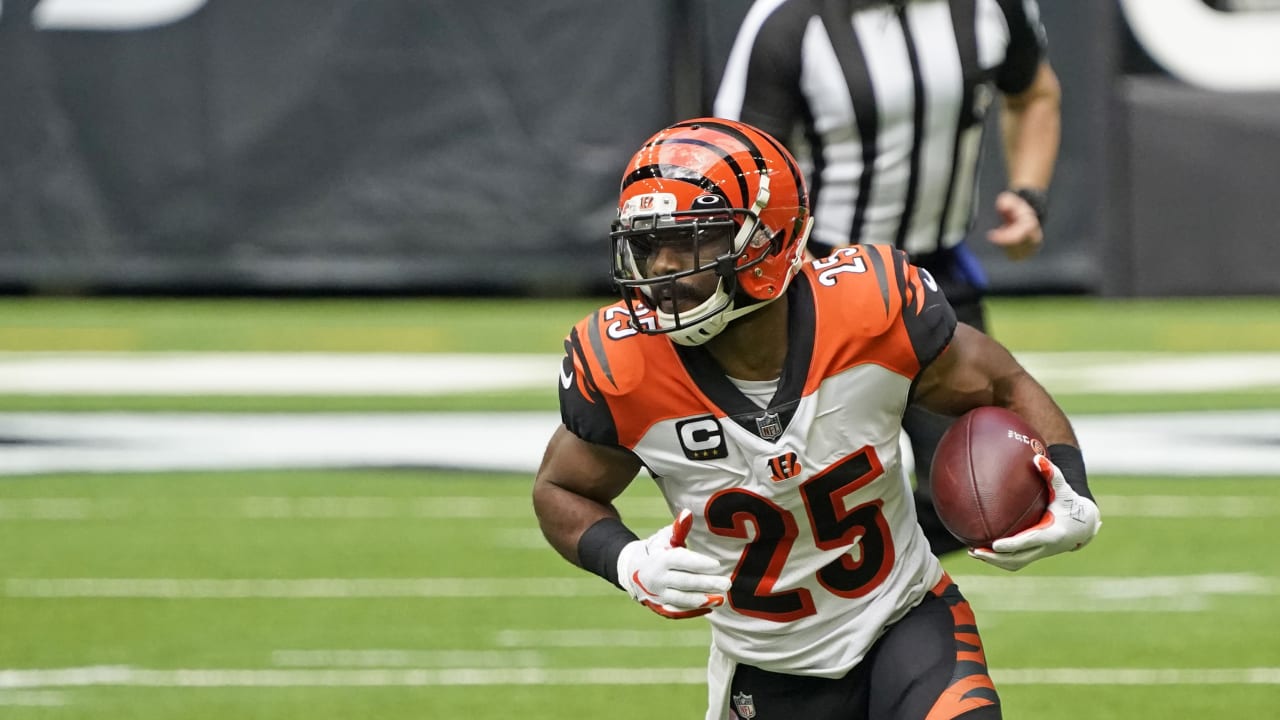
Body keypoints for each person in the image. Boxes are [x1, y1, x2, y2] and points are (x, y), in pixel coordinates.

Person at [532, 118, 1099, 720]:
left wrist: (1072, 490)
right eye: (647, 246)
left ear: (767, 241)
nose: (661, 271)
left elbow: (1004, 383)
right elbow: (561, 488)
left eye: (690, 242)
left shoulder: (869, 313)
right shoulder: (626, 369)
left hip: (905, 620)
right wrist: (625, 560)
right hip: (767, 669)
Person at [712, 0, 1062, 556]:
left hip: (934, 279)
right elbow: (739, 166)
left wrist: (1028, 194)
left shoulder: (990, 8)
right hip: (815, 284)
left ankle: (874, 580)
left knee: (988, 493)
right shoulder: (789, 21)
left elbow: (1034, 92)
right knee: (791, 498)